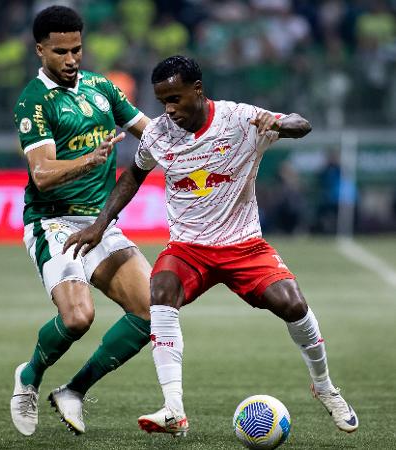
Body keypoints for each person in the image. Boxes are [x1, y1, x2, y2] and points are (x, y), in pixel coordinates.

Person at [63, 55, 359, 437]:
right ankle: (173, 409)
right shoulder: (158, 134)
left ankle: (325, 388)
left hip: (244, 245)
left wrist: (280, 123)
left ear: (197, 90)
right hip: (189, 248)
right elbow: (132, 177)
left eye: (176, 98)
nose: (169, 109)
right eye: (162, 101)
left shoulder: (238, 119)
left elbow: (303, 125)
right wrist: (100, 226)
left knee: (294, 304)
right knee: (160, 291)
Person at [10, 6, 152, 436]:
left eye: (77, 49)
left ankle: (73, 390)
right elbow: (43, 174)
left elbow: (150, 131)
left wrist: (205, 146)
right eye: (61, 51)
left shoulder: (101, 87)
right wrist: (89, 160)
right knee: (77, 318)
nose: (72, 59)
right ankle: (29, 376)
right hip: (53, 222)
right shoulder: (34, 102)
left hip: (100, 222)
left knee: (153, 310)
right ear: (40, 50)